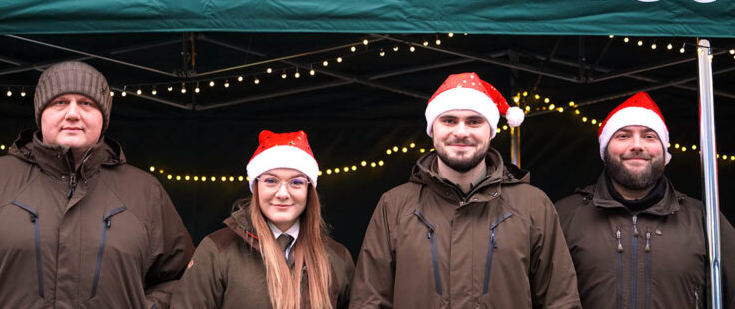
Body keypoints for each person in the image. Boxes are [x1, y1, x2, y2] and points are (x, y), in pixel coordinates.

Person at [0, 61, 194, 308]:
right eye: (60, 102)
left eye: (86, 103)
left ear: (103, 116)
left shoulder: (145, 192)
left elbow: (184, 277)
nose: (72, 114)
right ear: (40, 113)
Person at [350, 72, 581, 308]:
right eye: (449, 120)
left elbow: (561, 301)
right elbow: (368, 301)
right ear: (432, 129)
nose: (461, 132)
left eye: (474, 121)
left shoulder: (532, 205)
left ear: (491, 131)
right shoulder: (394, 206)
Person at [555, 91, 735, 308]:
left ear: (664, 153)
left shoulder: (706, 221)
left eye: (649, 137)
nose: (637, 145)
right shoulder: (565, 216)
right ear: (605, 150)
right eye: (623, 136)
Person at [171, 130, 354, 309]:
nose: (283, 194)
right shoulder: (217, 250)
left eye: (296, 182)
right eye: (271, 181)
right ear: (256, 186)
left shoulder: (338, 258)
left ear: (309, 190)